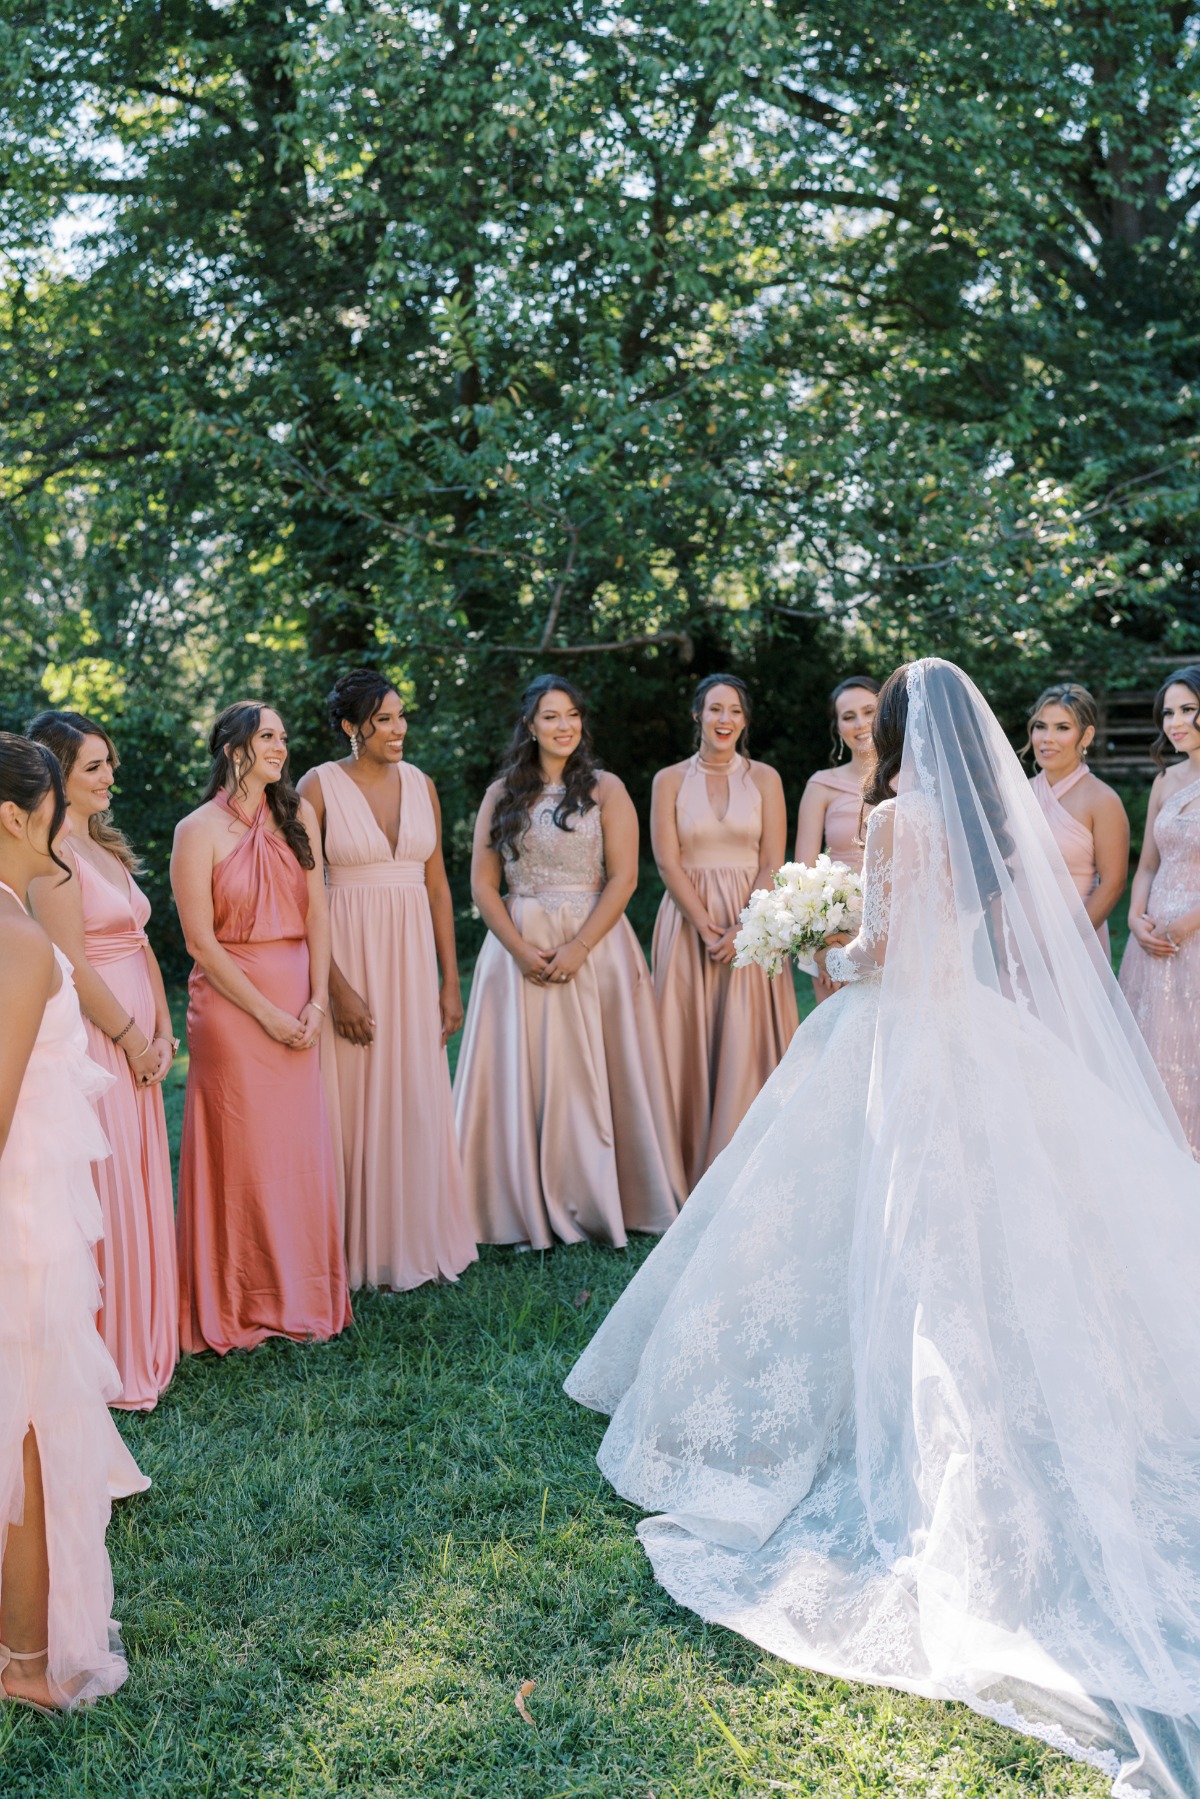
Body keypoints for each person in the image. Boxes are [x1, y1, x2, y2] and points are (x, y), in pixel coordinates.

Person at [567, 659, 1200, 1799]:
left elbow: (883, 951)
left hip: (900, 1036)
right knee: (977, 1233)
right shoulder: (992, 826)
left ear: (900, 731)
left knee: (883, 1228)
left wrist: (815, 944)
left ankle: (874, 1406)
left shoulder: (901, 814)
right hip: (975, 1034)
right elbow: (951, 937)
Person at [0, 733, 137, 1711]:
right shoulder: (12, 940)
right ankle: (25, 1661)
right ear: (17, 815)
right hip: (22, 1228)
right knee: (32, 1433)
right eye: (50, 809)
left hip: (31, 1210)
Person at [455, 674, 685, 1250]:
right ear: (530, 725)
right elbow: (484, 885)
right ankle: (511, 1201)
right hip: (519, 943)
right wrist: (517, 947)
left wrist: (580, 946)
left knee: (602, 1072)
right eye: (552, 716)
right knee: (524, 1069)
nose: (564, 726)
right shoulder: (501, 792)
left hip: (595, 944)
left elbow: (625, 876)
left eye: (573, 715)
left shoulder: (606, 788)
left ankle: (614, 1197)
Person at [171, 702, 351, 1354]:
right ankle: (237, 1300)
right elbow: (201, 941)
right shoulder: (197, 830)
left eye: (281, 736)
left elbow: (321, 916)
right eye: (268, 736)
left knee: (295, 1156)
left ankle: (299, 1297)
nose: (282, 745)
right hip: (233, 1011)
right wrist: (269, 1013)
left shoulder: (297, 813)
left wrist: (315, 1004)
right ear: (233, 749)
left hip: (300, 1003)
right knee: (244, 1159)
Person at [297, 670, 476, 1292]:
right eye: (384, 719)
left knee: (414, 1088)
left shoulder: (422, 783)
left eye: (402, 717)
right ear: (352, 727)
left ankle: (416, 1236)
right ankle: (353, 1249)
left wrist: (451, 982)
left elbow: (437, 887)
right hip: (349, 951)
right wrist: (335, 987)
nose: (399, 729)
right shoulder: (316, 787)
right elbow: (305, 893)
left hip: (411, 957)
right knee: (354, 1094)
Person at [27, 711, 179, 1412]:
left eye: (109, 762)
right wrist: (131, 1038)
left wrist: (166, 1029)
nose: (110, 776)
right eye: (94, 766)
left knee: (141, 1181)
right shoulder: (53, 856)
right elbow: (72, 966)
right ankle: (111, 1351)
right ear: (58, 775)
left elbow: (142, 942)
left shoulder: (104, 846)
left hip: (142, 1043)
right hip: (98, 1044)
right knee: (109, 1190)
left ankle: (148, 1332)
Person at [650, 674, 798, 1185]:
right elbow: (667, 861)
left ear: (745, 719)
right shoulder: (668, 779)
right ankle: (681, 1165)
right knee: (683, 1034)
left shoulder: (766, 779)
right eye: (715, 709)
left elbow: (772, 860)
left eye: (734, 711)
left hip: (752, 919)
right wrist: (703, 923)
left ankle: (749, 1165)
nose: (725, 720)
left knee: (745, 1033)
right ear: (697, 716)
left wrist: (743, 927)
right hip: (687, 919)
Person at [1119, 665, 1200, 1157]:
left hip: (1192, 936)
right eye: (1168, 712)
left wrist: (1190, 922)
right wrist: (1133, 916)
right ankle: (1155, 1162)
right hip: (1151, 941)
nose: (1175, 721)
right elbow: (1147, 863)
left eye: (1188, 709)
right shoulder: (1166, 780)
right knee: (1152, 1050)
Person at [793, 676, 880, 1002]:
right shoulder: (822, 785)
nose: (861, 724)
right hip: (836, 936)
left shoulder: (910, 779)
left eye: (869, 711)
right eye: (848, 716)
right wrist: (822, 949)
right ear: (838, 726)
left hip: (898, 931)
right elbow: (801, 874)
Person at [1026, 682, 1129, 955]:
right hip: (1019, 944)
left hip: (1076, 945)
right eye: (1040, 726)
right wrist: (1004, 940)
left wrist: (1062, 948)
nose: (1047, 738)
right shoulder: (1017, 795)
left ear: (1086, 736)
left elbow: (1113, 884)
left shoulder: (1103, 800)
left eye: (1062, 728)